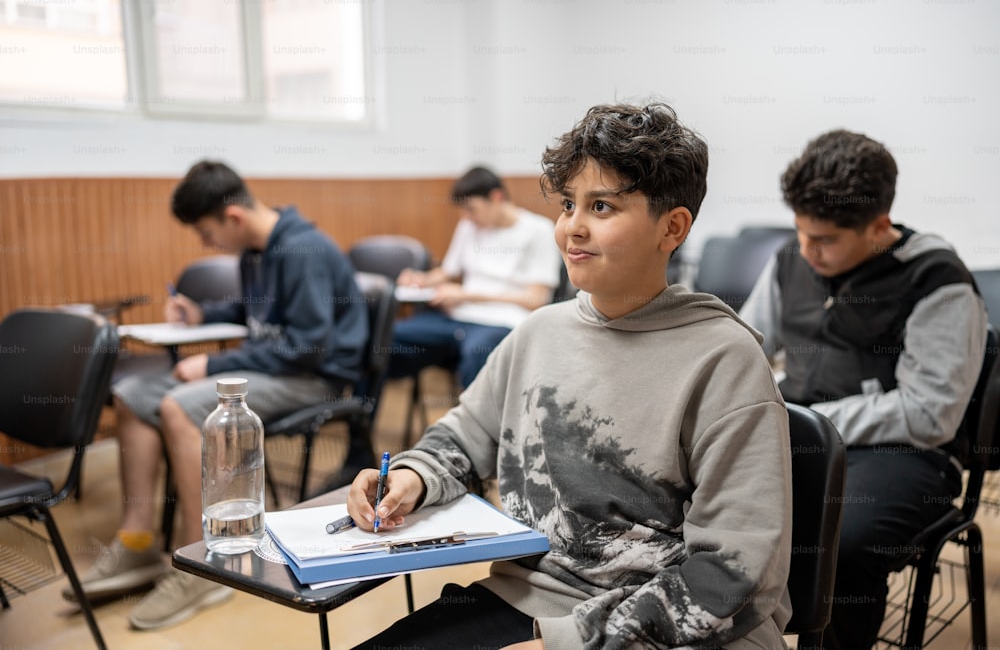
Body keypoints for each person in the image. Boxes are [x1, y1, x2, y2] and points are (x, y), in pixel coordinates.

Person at [347, 102, 794, 649]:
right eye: (567, 205)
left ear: (671, 228)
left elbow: (733, 575)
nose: (571, 230)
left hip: (663, 628)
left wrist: (560, 645)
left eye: (601, 206)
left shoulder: (724, 361)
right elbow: (466, 434)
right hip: (528, 598)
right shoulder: (540, 333)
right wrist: (412, 477)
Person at [65, 160, 369, 630]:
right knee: (131, 395)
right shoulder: (256, 251)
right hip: (271, 367)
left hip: (312, 378)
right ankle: (138, 541)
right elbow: (257, 314)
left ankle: (204, 564)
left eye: (207, 233)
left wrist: (213, 363)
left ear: (233, 218)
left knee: (181, 406)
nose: (208, 245)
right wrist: (201, 313)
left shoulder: (302, 248)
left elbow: (306, 346)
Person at [739, 129, 989, 650]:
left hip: (902, 454)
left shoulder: (937, 280)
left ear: (879, 226)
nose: (806, 251)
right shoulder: (793, 259)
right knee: (698, 511)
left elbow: (929, 414)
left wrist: (798, 416)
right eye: (801, 233)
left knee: (840, 547)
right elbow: (745, 348)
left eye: (825, 240)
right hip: (799, 430)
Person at [388, 166, 561, 391]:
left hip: (503, 322)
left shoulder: (539, 231)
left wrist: (466, 295)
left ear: (496, 197)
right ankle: (360, 416)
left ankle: (475, 425)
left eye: (472, 209)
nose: (466, 217)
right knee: (390, 337)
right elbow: (448, 272)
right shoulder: (469, 225)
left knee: (477, 353)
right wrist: (422, 280)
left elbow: (536, 299)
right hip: (456, 318)